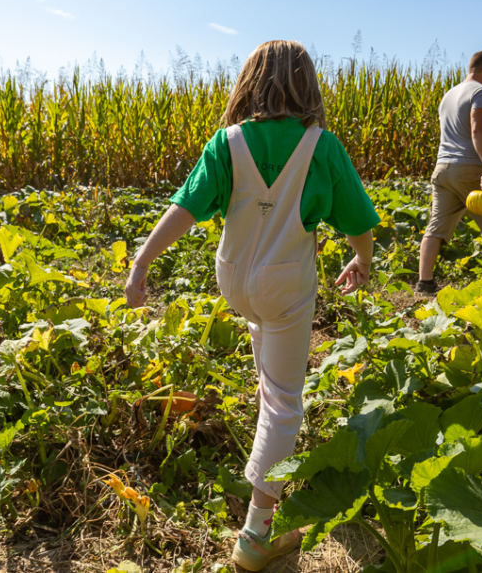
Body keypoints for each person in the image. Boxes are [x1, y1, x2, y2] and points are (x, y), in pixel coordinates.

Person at [123, 40, 379, 571]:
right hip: (286, 284)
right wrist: (361, 261)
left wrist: (141, 264)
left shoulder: (228, 142)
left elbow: (184, 208)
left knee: (269, 370)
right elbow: (358, 221)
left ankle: (263, 470)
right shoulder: (320, 146)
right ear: (306, 83)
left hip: (234, 279)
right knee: (286, 402)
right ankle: (258, 533)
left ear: (251, 82)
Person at [415, 50, 482, 294]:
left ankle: (424, 284)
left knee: (436, 226)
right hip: (469, 167)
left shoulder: (449, 94)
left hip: (443, 169)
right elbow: (478, 129)